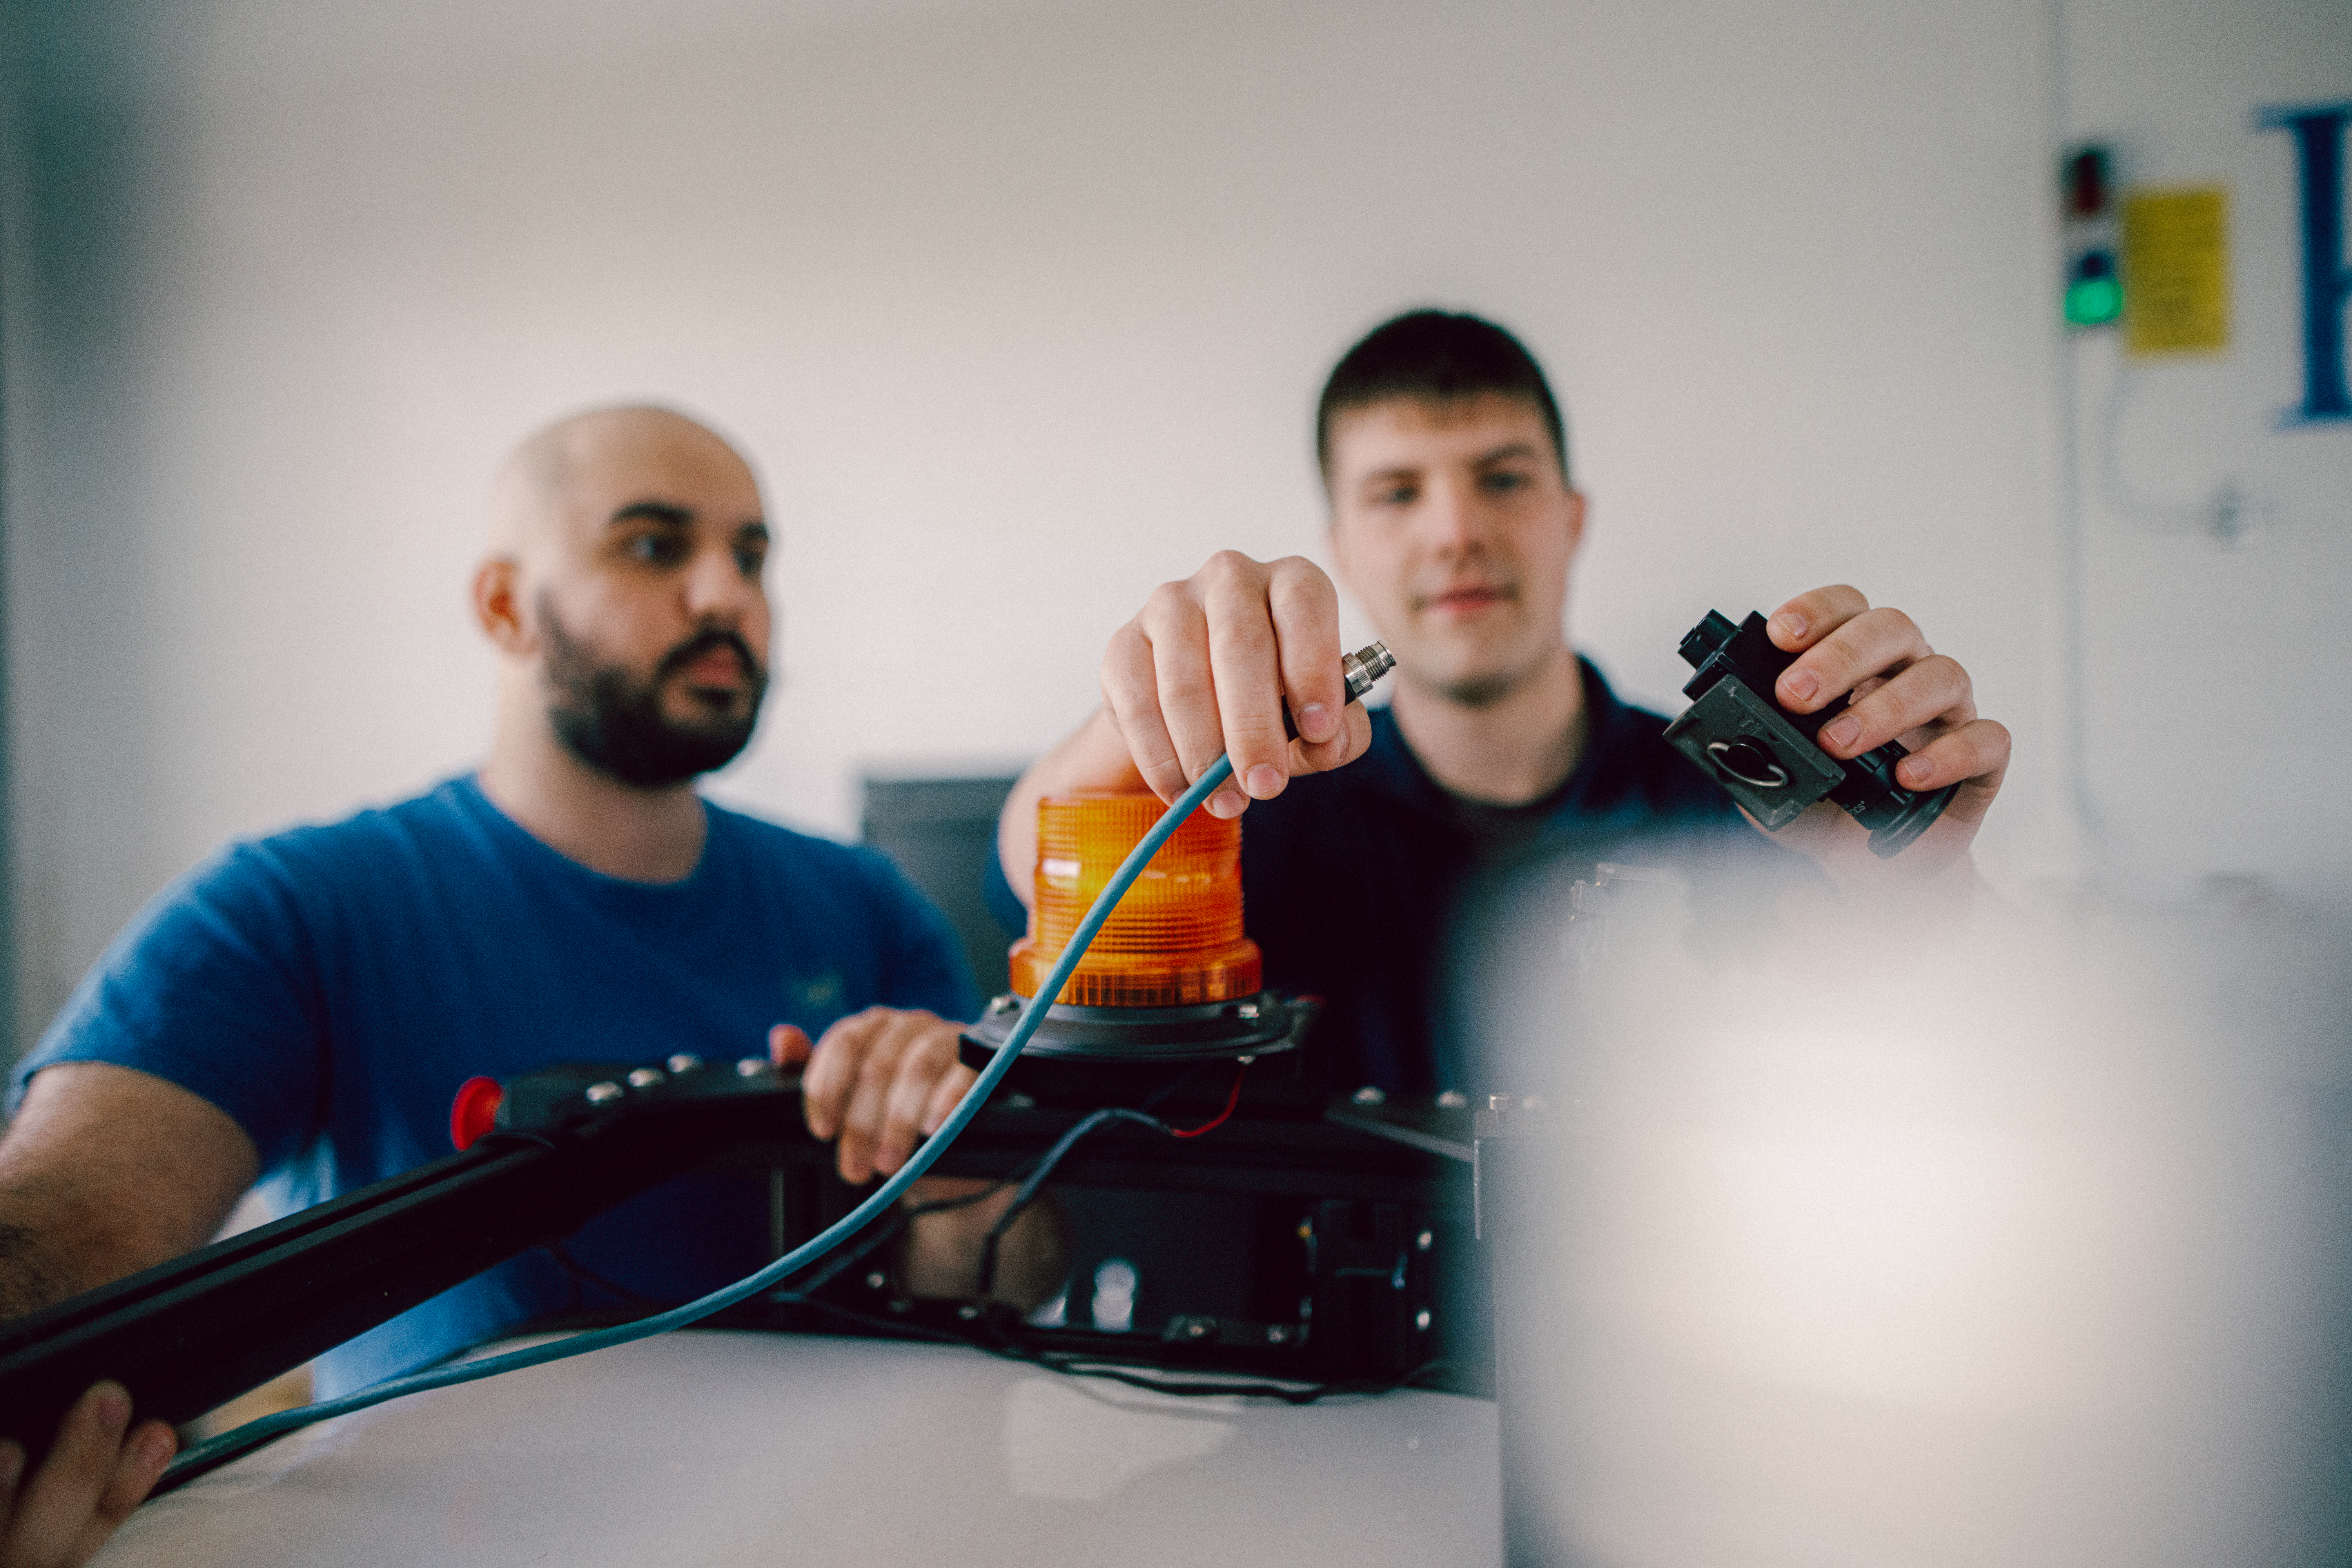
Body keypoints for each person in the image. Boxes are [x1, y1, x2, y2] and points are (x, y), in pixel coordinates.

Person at [0, 407, 1049, 1566]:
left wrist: (961, 1191)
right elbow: (67, 1228)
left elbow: (1009, 1275)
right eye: (655, 546)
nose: (726, 597)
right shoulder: (297, 906)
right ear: (504, 605)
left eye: (751, 557)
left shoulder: (868, 906)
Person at [992, 310, 2012, 1094]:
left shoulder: (1757, 808)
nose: (1455, 533)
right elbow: (1033, 869)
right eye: (1398, 493)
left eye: (1503, 478)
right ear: (1342, 546)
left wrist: (1912, 885)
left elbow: (1976, 1053)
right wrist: (1132, 723)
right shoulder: (1268, 811)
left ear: (1571, 521)